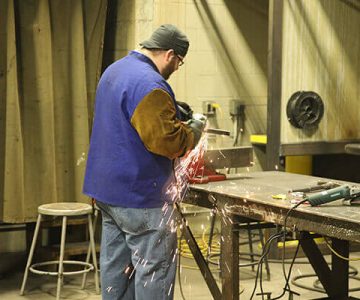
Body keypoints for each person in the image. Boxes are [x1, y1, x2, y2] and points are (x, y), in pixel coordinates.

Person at [83, 24, 205, 300]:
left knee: (118, 271)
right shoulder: (150, 84)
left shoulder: (115, 70)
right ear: (171, 55)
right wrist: (194, 130)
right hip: (140, 197)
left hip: (107, 193)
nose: (176, 68)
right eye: (179, 63)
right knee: (154, 270)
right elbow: (168, 142)